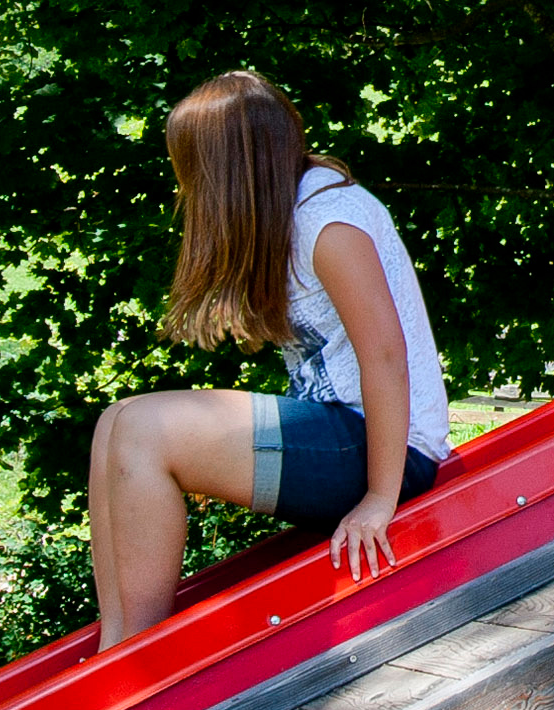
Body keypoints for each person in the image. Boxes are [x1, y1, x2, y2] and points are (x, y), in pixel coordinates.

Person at [81, 70, 447, 654]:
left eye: (193, 171)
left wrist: (381, 499)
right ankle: (117, 642)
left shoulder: (327, 222)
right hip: (343, 437)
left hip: (391, 450)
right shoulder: (291, 215)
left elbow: (385, 356)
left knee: (146, 431)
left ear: (227, 171)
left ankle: (138, 657)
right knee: (117, 422)